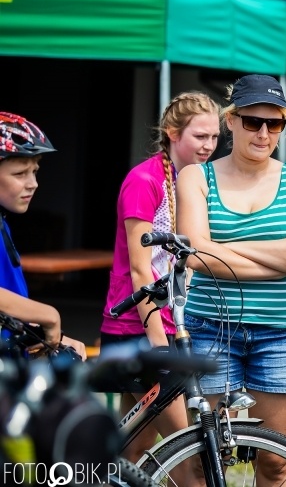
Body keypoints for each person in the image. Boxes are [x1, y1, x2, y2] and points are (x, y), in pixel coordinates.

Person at [176, 74, 286, 484]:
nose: (263, 133)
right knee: (205, 459)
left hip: (282, 333)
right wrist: (283, 257)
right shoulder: (195, 176)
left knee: (275, 462)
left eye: (274, 124)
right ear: (230, 120)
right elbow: (196, 256)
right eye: (252, 121)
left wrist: (224, 249)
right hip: (210, 328)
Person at [98, 92, 220, 466]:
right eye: (200, 136)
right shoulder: (144, 179)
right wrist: (160, 346)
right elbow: (140, 269)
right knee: (190, 458)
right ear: (172, 132)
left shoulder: (197, 180)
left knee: (131, 451)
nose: (209, 146)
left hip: (172, 321)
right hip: (138, 328)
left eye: (215, 137)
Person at [0, 112, 86, 359]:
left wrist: (47, 337)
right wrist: (48, 315)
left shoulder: (3, 224)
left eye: (34, 171)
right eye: (19, 174)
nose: (33, 183)